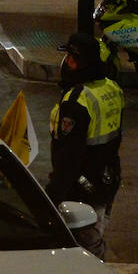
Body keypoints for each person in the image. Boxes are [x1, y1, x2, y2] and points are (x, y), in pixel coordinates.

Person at [47, 31, 124, 260]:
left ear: (75, 62)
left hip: (81, 188)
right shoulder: (112, 88)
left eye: (69, 58)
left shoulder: (76, 101)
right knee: (96, 236)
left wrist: (52, 195)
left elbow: (69, 157)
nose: (65, 63)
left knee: (83, 251)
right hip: (108, 178)